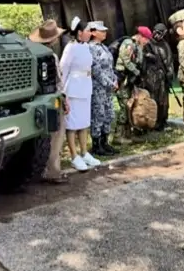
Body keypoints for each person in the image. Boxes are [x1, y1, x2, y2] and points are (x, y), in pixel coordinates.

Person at [29, 20, 70, 184]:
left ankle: (38, 169)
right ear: (53, 39)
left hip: (35, 100)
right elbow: (58, 81)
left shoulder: (31, 53)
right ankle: (52, 171)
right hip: (52, 99)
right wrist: (64, 99)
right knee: (56, 136)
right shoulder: (50, 56)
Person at [58, 17, 99, 172]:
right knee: (73, 125)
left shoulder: (86, 47)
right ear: (80, 32)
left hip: (85, 87)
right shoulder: (70, 47)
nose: (90, 33)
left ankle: (84, 152)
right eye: (88, 30)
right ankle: (74, 156)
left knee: (83, 122)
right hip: (73, 89)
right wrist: (62, 92)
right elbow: (63, 69)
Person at [87, 21, 118, 157]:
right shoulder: (90, 48)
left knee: (108, 113)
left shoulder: (104, 47)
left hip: (108, 87)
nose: (105, 33)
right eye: (101, 31)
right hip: (98, 87)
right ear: (93, 32)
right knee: (98, 115)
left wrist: (115, 79)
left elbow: (109, 67)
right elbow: (96, 70)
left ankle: (105, 142)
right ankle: (96, 144)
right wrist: (110, 83)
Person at [115, 26, 150, 139]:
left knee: (131, 106)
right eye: (146, 39)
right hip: (123, 79)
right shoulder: (128, 44)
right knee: (125, 107)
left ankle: (128, 134)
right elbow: (126, 60)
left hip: (130, 81)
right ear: (140, 36)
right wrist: (136, 72)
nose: (147, 41)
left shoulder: (138, 46)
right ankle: (118, 136)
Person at [142, 23, 174, 130]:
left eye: (161, 33)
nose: (158, 35)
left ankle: (163, 121)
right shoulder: (148, 44)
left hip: (163, 78)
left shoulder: (165, 45)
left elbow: (169, 61)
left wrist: (169, 73)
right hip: (151, 78)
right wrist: (149, 57)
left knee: (163, 101)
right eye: (156, 32)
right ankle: (152, 122)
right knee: (153, 100)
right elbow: (142, 58)